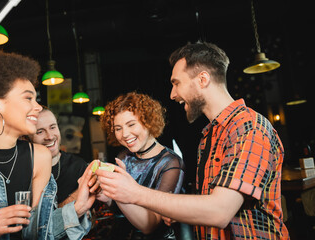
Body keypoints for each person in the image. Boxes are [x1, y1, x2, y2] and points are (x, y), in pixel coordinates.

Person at [96, 42, 290, 239]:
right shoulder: (211, 135)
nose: (173, 95)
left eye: (176, 83)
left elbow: (219, 212)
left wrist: (134, 192)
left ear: (203, 79)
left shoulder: (249, 128)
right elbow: (210, 206)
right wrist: (177, 212)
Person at [0, 50, 96, 240]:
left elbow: (40, 232)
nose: (38, 107)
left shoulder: (39, 157)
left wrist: (79, 206)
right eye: (28, 98)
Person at [97, 91, 185, 239]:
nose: (124, 134)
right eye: (118, 128)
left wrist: (117, 191)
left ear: (148, 121)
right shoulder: (124, 156)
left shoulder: (171, 163)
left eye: (131, 124)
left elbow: (151, 226)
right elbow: (123, 209)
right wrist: (108, 198)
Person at [28, 106, 88, 208]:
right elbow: (35, 220)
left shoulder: (78, 166)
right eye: (40, 132)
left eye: (52, 127)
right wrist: (76, 195)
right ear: (26, 138)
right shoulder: (23, 171)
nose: (50, 136)